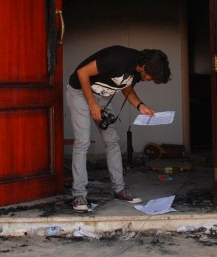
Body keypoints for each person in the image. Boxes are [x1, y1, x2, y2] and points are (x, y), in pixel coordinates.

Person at [66, 45, 171, 211]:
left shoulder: (137, 71)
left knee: (112, 141)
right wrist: (92, 104)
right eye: (151, 77)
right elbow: (82, 72)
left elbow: (125, 86)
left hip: (102, 96)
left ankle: (119, 190)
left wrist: (140, 106)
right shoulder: (118, 57)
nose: (150, 80)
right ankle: (79, 195)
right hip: (79, 92)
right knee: (83, 141)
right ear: (144, 67)